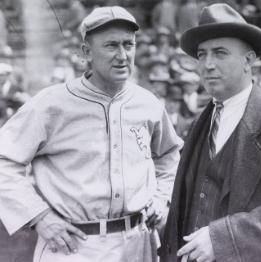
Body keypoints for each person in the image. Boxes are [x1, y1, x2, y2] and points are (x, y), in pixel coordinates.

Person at [0, 6, 183, 262]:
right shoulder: (50, 104)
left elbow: (170, 155)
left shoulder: (147, 102)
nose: (122, 55)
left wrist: (163, 198)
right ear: (86, 52)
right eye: (111, 46)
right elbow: (3, 161)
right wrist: (39, 216)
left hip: (138, 242)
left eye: (128, 45)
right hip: (74, 245)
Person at [159, 4, 261, 262]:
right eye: (202, 54)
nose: (208, 64)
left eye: (220, 53)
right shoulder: (198, 124)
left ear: (249, 60)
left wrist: (224, 238)